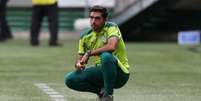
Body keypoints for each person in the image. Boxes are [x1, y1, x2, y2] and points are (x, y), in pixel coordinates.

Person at [65, 5, 130, 101]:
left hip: (120, 73)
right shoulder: (85, 37)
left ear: (105, 19)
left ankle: (108, 96)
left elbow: (111, 47)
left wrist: (89, 53)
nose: (93, 21)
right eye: (91, 18)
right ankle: (101, 92)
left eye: (97, 18)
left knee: (106, 56)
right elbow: (78, 61)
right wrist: (79, 64)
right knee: (70, 79)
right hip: (101, 71)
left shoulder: (111, 27)